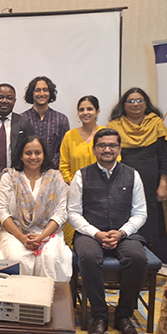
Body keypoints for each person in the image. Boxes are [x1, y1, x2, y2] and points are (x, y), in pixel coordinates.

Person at [68, 128, 148, 334]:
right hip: (90, 233)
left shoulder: (133, 174)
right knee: (87, 257)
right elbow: (73, 212)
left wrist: (122, 232)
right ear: (94, 150)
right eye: (102, 145)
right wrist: (96, 233)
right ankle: (100, 316)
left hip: (125, 233)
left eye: (112, 145)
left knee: (138, 258)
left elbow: (140, 213)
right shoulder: (81, 176)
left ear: (119, 149)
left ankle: (123, 316)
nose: (107, 149)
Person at [0, 136, 72, 281]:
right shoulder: (10, 177)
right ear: (21, 156)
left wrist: (41, 237)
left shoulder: (55, 177)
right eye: (28, 153)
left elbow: (60, 213)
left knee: (50, 258)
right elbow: (2, 211)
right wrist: (22, 237)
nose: (33, 157)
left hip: (46, 232)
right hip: (14, 232)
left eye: (37, 153)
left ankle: (47, 301)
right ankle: (16, 301)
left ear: (44, 155)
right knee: (17, 258)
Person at [106, 88, 167, 245]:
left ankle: (150, 263)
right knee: (125, 221)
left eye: (139, 100)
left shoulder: (156, 124)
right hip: (123, 184)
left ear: (146, 103)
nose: (135, 104)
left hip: (151, 185)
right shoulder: (115, 126)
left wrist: (163, 184)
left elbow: (164, 158)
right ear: (124, 105)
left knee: (151, 224)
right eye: (131, 101)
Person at [59, 95, 103, 245]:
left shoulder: (106, 135)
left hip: (101, 193)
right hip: (74, 193)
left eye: (89, 109)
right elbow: (64, 166)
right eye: (81, 109)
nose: (85, 112)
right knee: (73, 235)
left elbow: (115, 162)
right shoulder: (69, 136)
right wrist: (75, 185)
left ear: (97, 112)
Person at [21, 76, 69, 169]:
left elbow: (64, 150)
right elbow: (19, 149)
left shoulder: (61, 119)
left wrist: (50, 166)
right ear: (32, 93)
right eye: (37, 90)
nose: (42, 94)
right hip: (28, 171)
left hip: (54, 172)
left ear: (50, 93)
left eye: (45, 90)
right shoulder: (22, 119)